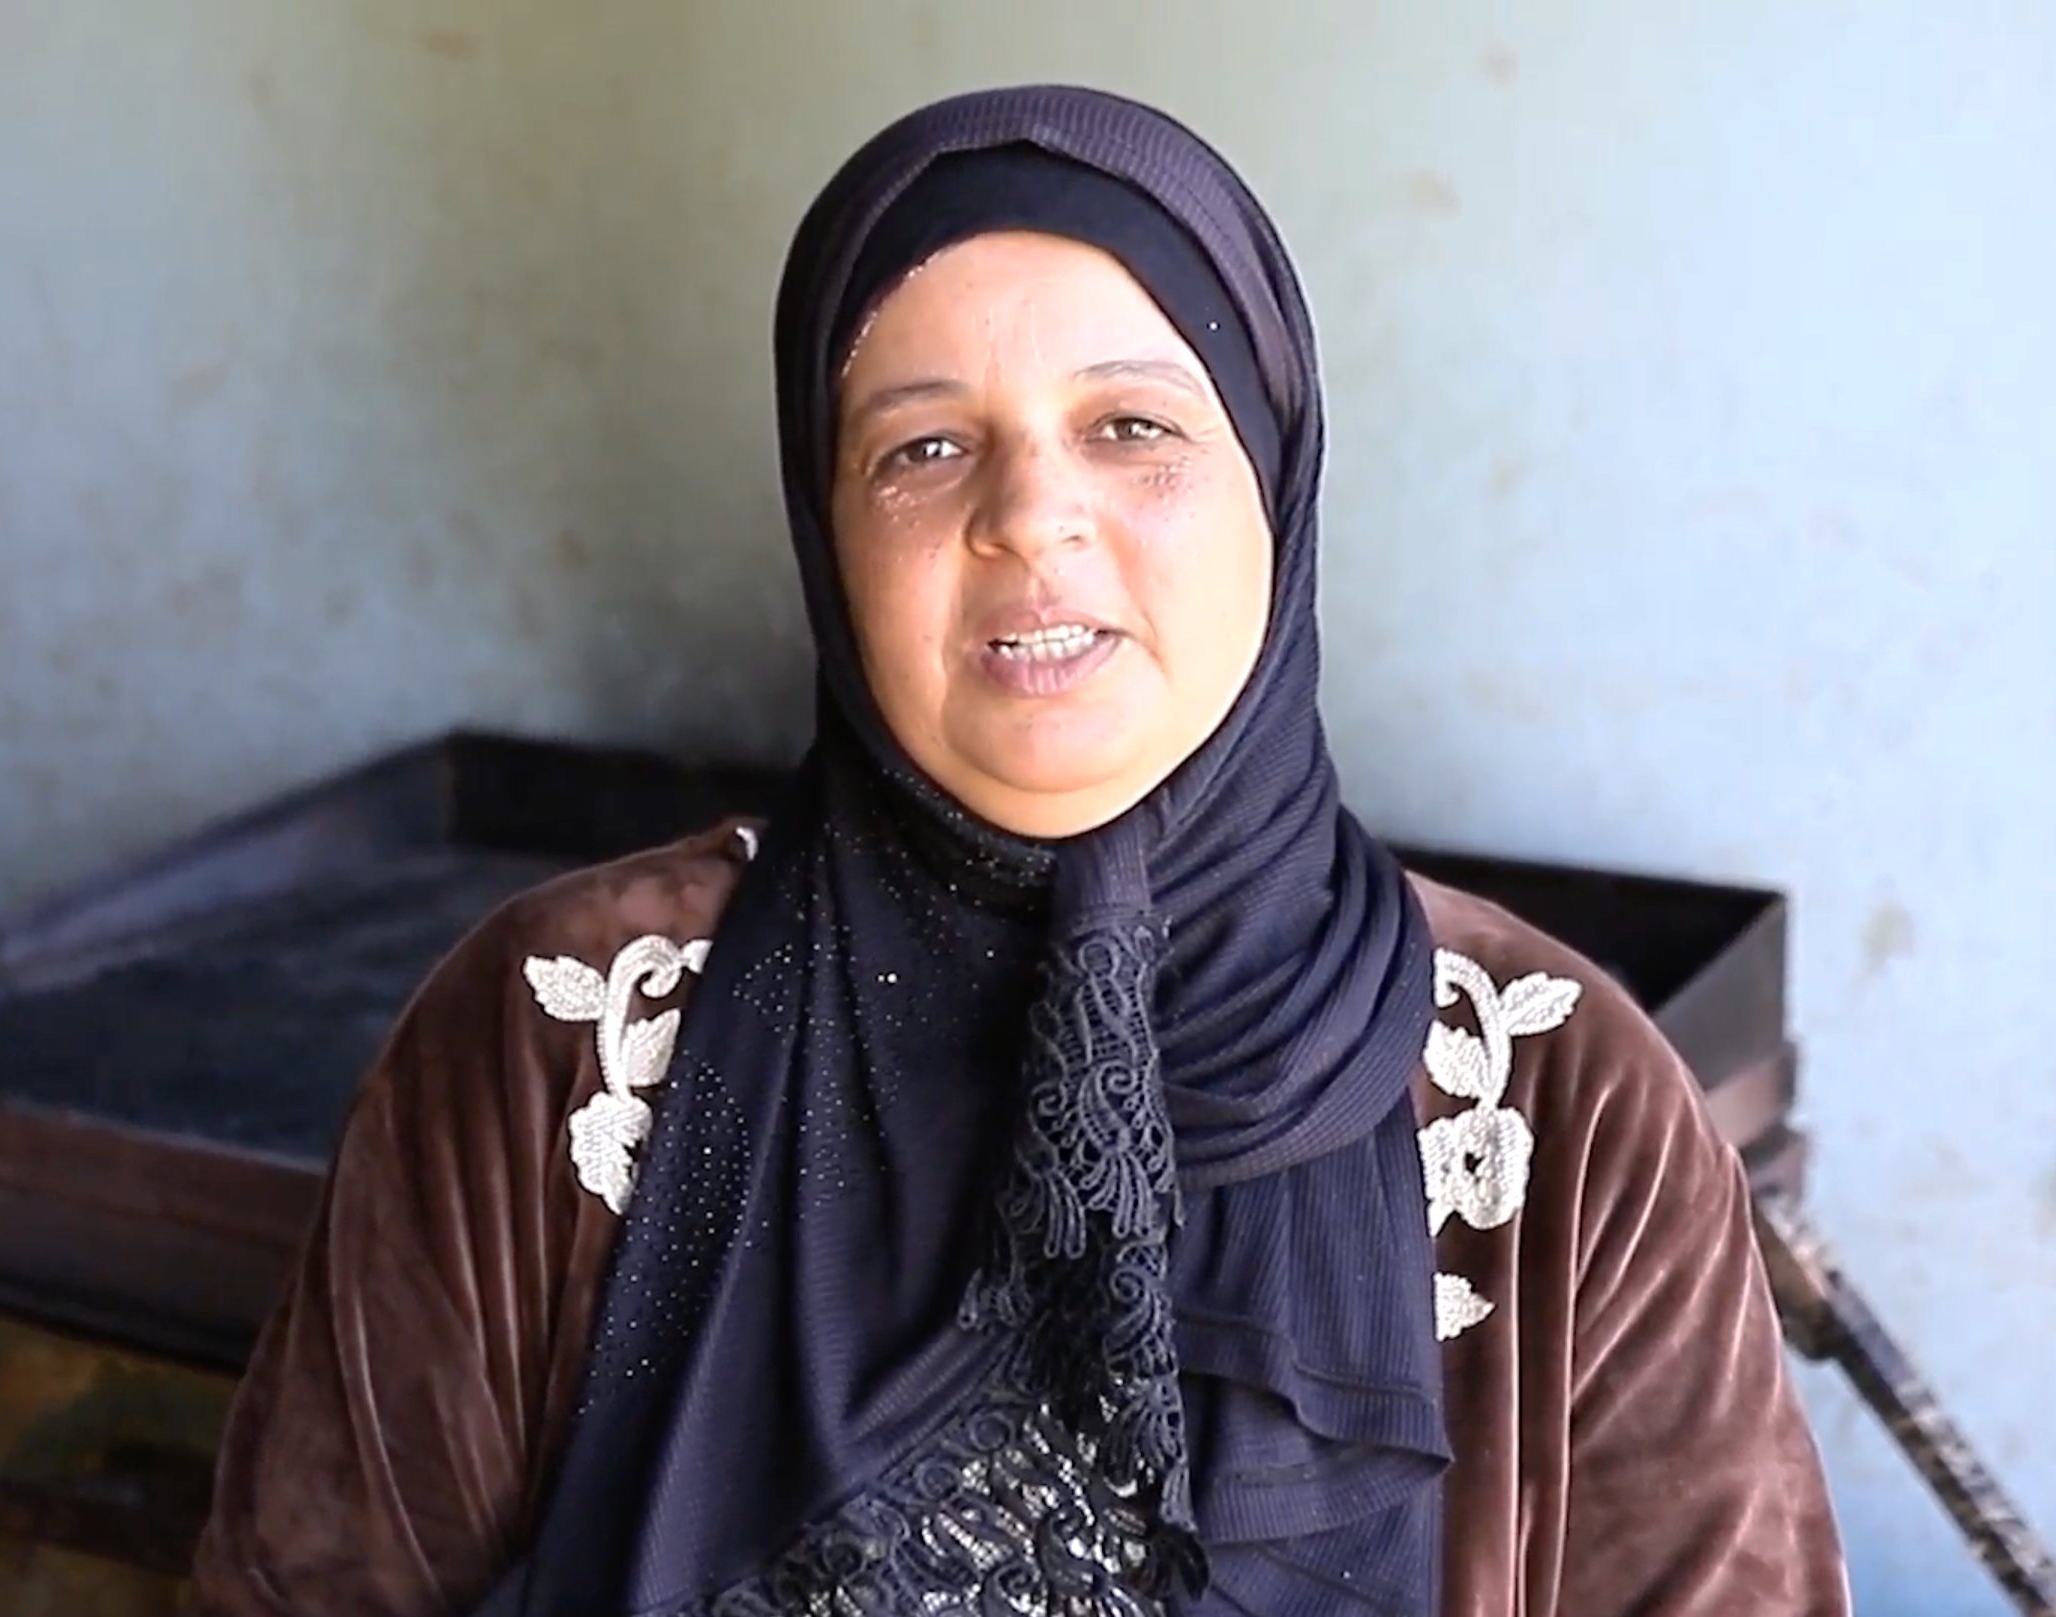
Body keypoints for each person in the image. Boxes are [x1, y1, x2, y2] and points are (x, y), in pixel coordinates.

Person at [186, 85, 1850, 1617]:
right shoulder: (555, 1043)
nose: (1029, 515)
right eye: (922, 449)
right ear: (829, 540)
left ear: (1275, 481)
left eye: (1132, 428)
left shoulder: (1565, 1110)